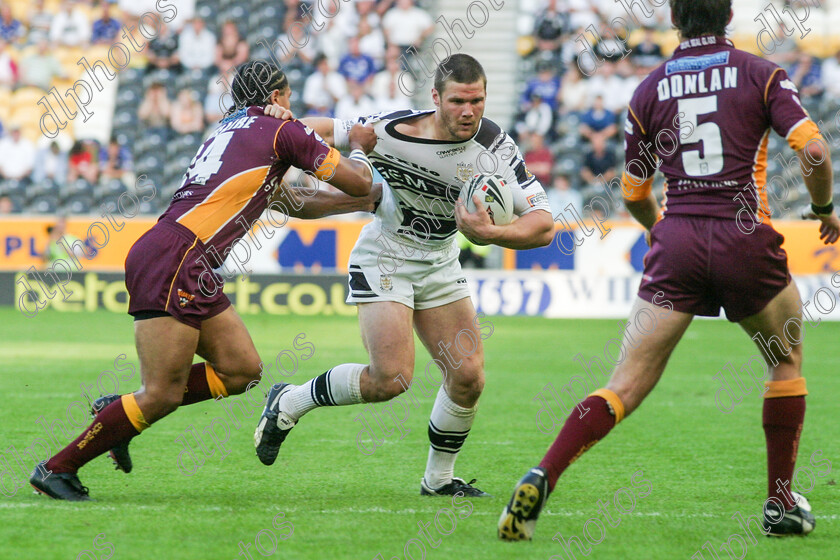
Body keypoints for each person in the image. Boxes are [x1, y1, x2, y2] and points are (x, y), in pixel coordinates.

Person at [499, 0, 840, 541]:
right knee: (785, 359)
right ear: (728, 17)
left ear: (675, 22)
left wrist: (662, 229)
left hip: (677, 239)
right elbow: (816, 151)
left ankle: (544, 472)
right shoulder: (762, 74)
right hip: (744, 236)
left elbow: (633, 191)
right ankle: (779, 503)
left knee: (624, 384)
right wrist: (823, 212)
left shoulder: (648, 88)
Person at [29, 60, 377, 501]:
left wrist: (360, 203)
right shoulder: (281, 130)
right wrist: (361, 147)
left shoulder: (227, 130)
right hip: (179, 257)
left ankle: (114, 412)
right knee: (161, 394)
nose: (292, 106)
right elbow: (358, 178)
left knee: (242, 369)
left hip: (180, 256)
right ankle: (57, 468)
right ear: (276, 98)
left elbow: (292, 202)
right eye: (288, 97)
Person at [254, 54, 555, 498]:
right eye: (457, 101)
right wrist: (278, 122)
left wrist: (495, 233)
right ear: (436, 98)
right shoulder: (392, 130)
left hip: (439, 260)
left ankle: (438, 480)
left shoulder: (495, 147)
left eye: (477, 100)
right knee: (391, 380)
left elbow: (545, 223)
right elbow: (324, 128)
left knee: (468, 376)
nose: (469, 111)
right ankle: (290, 401)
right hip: (386, 256)